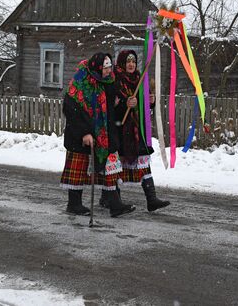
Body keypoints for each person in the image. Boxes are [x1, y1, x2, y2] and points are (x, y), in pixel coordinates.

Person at [60, 52, 135, 218]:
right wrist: (84, 132)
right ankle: (74, 204)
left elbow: (114, 104)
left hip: (105, 133)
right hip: (81, 135)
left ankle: (115, 204)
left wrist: (125, 102)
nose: (109, 71)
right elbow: (70, 110)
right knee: (79, 169)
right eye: (106, 69)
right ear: (98, 68)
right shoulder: (81, 81)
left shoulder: (109, 81)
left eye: (110, 68)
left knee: (110, 167)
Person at [112, 49, 170, 212]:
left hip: (136, 130)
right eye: (127, 61)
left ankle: (151, 199)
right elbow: (110, 105)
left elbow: (143, 106)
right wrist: (124, 105)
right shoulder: (115, 80)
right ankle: (111, 199)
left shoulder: (140, 79)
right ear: (122, 63)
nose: (131, 64)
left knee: (144, 160)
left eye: (133, 61)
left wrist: (150, 101)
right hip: (120, 128)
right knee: (116, 166)